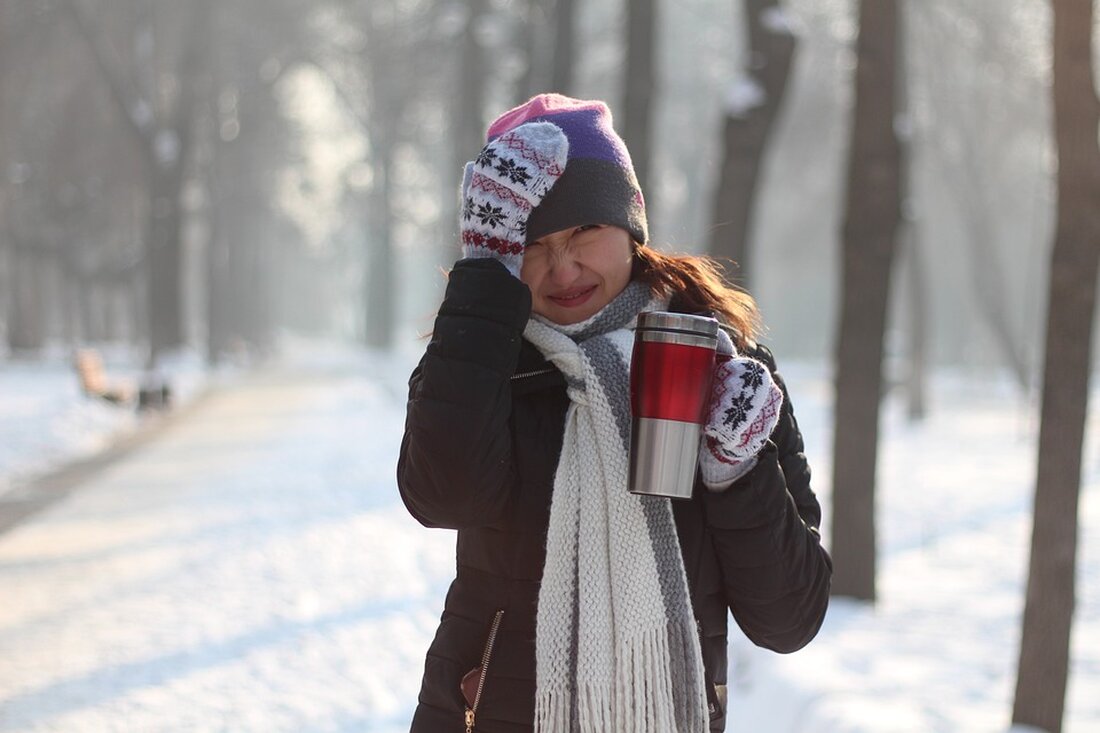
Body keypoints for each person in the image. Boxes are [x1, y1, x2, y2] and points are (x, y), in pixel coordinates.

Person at [397, 93, 831, 733]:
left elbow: (790, 619)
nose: (562, 266)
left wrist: (737, 469)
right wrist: (486, 278)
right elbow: (443, 499)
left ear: (629, 225)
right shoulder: (482, 358)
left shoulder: (722, 366)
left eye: (583, 231)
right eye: (533, 244)